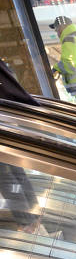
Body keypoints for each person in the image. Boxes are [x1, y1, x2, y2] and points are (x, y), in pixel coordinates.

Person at [0, 60, 49, 236]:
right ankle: (33, 219)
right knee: (14, 172)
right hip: (7, 122)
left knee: (6, 177)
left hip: (4, 125)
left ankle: (28, 223)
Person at [50, 16, 76, 106]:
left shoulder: (69, 40)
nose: (57, 34)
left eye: (56, 30)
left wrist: (56, 68)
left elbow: (69, 62)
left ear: (61, 27)